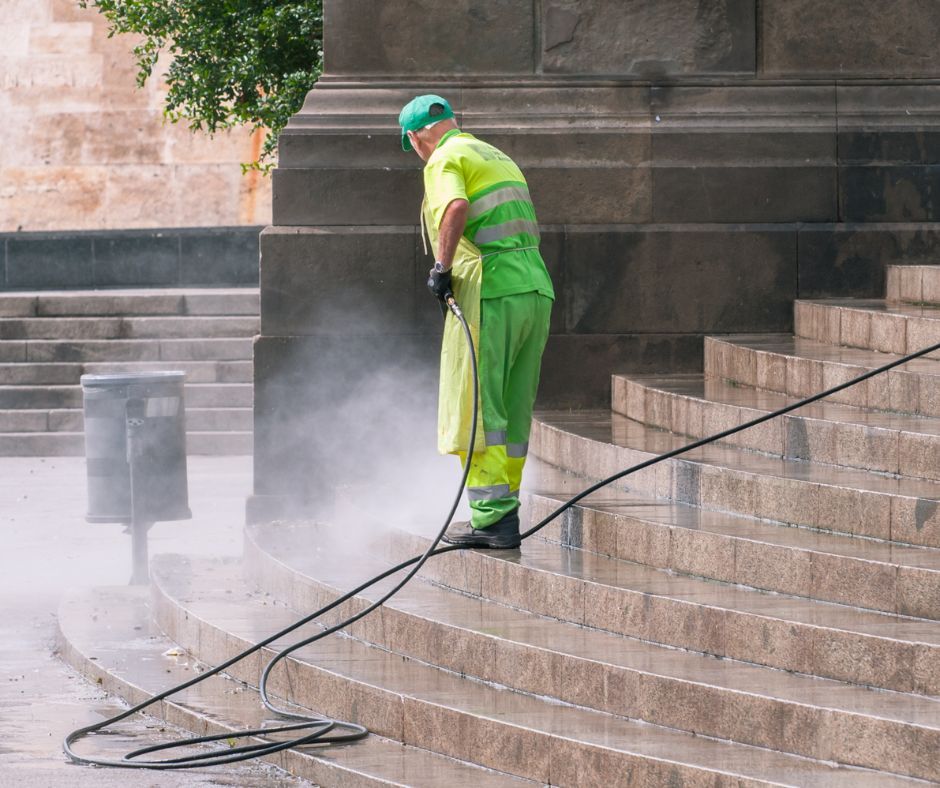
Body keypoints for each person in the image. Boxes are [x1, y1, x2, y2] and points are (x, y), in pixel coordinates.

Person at [399, 94, 554, 549]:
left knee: (480, 408)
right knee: (512, 409)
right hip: (534, 288)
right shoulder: (493, 154)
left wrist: (441, 269)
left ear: (416, 137)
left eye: (415, 148)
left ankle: (491, 519)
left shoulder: (444, 157)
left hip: (491, 291)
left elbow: (454, 207)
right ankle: (503, 515)